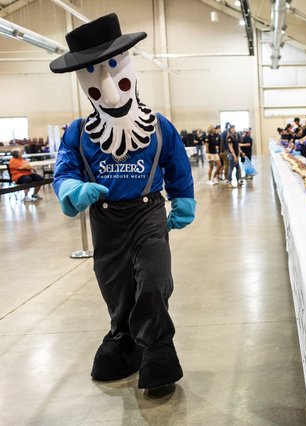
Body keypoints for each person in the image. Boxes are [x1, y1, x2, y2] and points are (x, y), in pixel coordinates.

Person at [49, 14, 195, 389]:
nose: (109, 84)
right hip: (106, 220)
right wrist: (72, 191)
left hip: (148, 213)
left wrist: (183, 200)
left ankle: (158, 349)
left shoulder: (159, 125)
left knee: (153, 279)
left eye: (114, 67)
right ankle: (122, 335)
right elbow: (64, 171)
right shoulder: (79, 132)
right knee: (115, 286)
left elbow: (176, 163)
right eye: (94, 74)